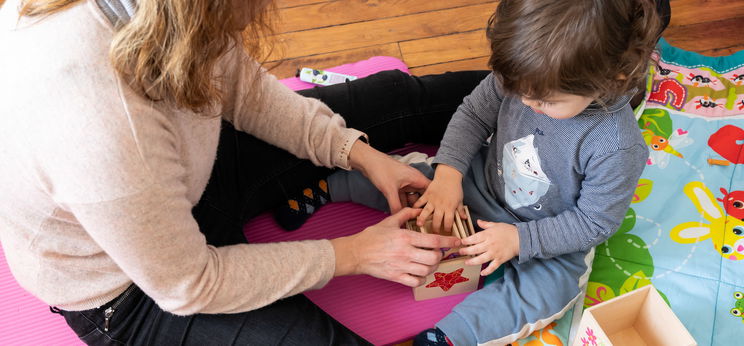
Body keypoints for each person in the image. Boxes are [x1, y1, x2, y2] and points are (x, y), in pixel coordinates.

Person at [0, 0, 498, 344]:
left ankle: (549, 85)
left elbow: (240, 87)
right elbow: (189, 283)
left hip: (184, 178)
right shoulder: (98, 123)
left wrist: (358, 153)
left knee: (394, 99)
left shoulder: (163, 18)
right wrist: (355, 253)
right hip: (134, 291)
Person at [277, 0, 668, 344]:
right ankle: (329, 187)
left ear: (612, 80)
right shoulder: (525, 73)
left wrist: (521, 240)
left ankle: (453, 335)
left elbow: (594, 223)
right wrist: (448, 175)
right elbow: (473, 113)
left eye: (545, 100)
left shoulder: (617, 146)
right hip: (481, 183)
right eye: (519, 92)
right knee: (414, 178)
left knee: (552, 292)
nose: (527, 103)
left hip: (549, 235)